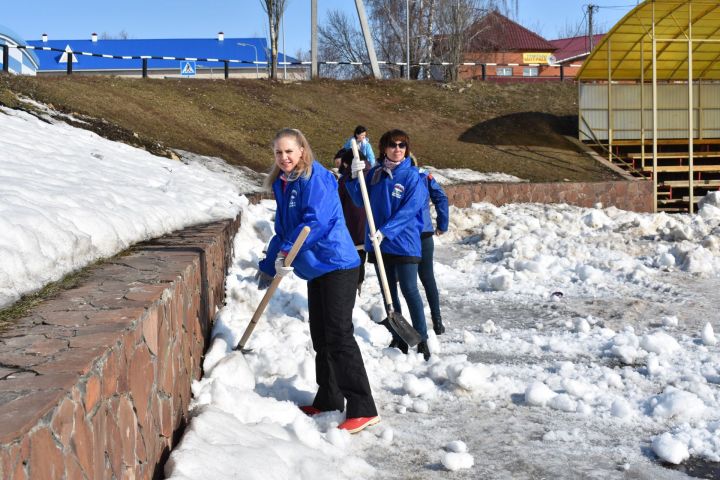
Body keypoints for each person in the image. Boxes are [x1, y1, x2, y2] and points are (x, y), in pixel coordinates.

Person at [257, 128, 379, 434]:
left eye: (289, 151)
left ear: (301, 150)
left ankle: (363, 407)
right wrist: (268, 265)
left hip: (337, 263)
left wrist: (287, 252)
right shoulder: (284, 184)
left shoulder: (317, 177)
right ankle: (329, 398)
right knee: (322, 336)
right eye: (278, 153)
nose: (284, 158)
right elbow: (284, 230)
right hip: (316, 269)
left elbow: (317, 222)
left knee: (339, 335)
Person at [345, 129, 431, 361]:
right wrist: (354, 178)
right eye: (393, 145)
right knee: (388, 292)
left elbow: (411, 209)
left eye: (402, 145)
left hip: (404, 243)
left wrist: (387, 231)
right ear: (384, 148)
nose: (398, 149)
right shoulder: (375, 175)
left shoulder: (412, 176)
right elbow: (358, 199)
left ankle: (422, 337)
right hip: (379, 244)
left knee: (409, 289)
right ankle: (399, 336)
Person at [336, 148, 371, 294]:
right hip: (368, 225)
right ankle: (359, 283)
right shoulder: (374, 173)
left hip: (352, 223)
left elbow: (338, 201)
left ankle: (353, 284)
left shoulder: (345, 179)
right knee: (361, 255)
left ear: (346, 163)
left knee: (352, 257)